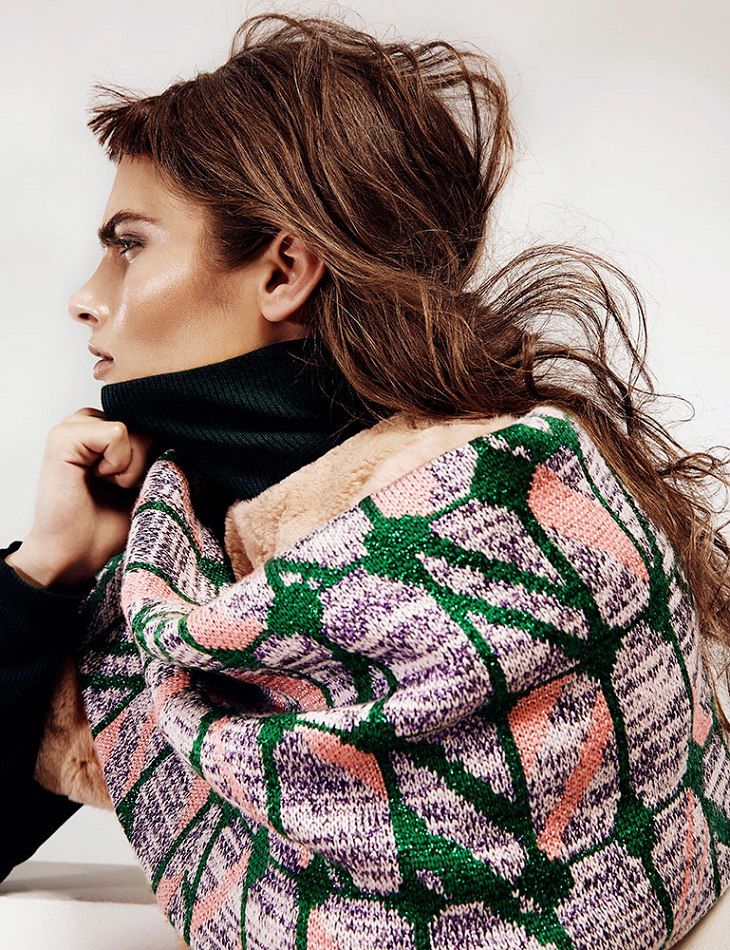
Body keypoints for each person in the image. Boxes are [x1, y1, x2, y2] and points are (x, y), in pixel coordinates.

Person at [2, 11, 729, 947]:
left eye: (129, 243)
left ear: (284, 272)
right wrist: (44, 571)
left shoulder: (545, 532)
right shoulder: (168, 567)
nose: (85, 296)